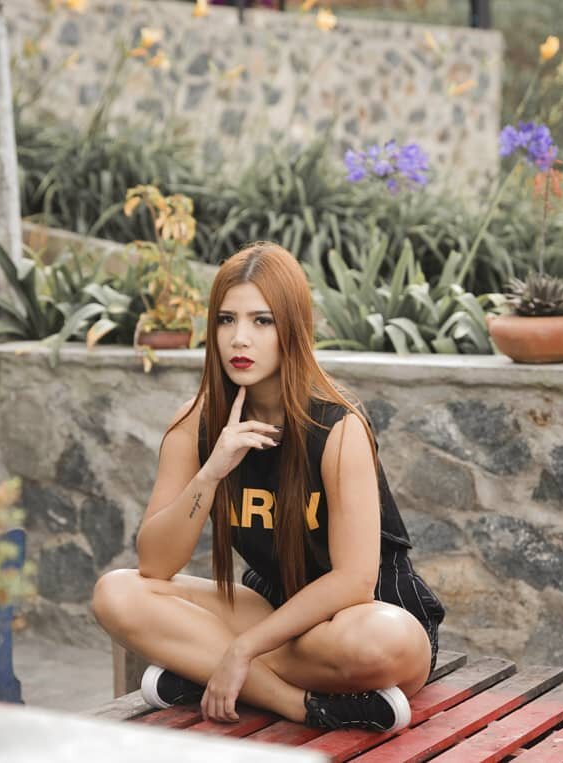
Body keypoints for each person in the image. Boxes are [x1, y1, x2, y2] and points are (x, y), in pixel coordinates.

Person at [91, 241, 445, 733]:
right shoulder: (195, 425)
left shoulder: (337, 427)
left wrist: (241, 649)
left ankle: (203, 668)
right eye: (226, 320)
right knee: (116, 593)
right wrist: (212, 472)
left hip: (362, 616)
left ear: (291, 329)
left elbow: (354, 581)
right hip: (269, 610)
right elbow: (154, 564)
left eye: (262, 321)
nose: (240, 339)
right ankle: (295, 702)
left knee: (383, 644)